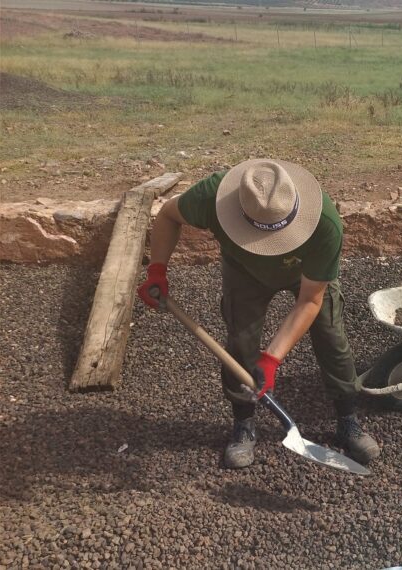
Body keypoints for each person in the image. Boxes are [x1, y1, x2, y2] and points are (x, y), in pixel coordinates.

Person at [137, 158, 380, 468]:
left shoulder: (324, 223)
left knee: (331, 335)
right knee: (241, 342)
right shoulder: (212, 196)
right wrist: (157, 270)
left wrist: (272, 359)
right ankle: (244, 424)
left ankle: (348, 419)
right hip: (245, 271)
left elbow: (309, 300)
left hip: (306, 273)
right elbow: (168, 215)